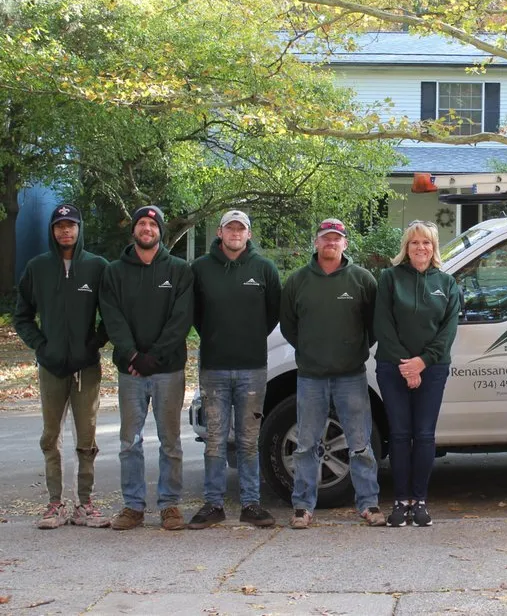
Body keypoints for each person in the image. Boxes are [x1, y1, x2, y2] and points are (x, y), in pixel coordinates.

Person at [279, 218, 383, 528]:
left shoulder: (363, 280)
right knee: (307, 444)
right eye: (325, 237)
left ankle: (368, 503)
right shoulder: (298, 281)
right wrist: (312, 351)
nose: (331, 243)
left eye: (336, 238)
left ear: (345, 244)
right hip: (311, 376)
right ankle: (302, 506)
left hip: (350, 374)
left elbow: (373, 327)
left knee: (361, 443)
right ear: (316, 242)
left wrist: (351, 349)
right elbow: (289, 325)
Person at [14, 204, 111, 529]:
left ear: (79, 229)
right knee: (50, 436)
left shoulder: (97, 267)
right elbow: (22, 316)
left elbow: (111, 314)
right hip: (52, 367)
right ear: (52, 231)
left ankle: (85, 504)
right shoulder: (37, 268)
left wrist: (94, 344)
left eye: (71, 226)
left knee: (87, 437)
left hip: (86, 369)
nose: (65, 231)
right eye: (60, 226)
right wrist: (42, 347)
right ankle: (54, 504)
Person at [100, 206, 193, 531]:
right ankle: (133, 506)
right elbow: (112, 318)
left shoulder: (180, 270)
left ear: (160, 232)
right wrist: (132, 357)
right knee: (130, 440)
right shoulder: (114, 272)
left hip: (168, 370)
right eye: (142, 223)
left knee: (170, 440)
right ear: (134, 231)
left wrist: (154, 356)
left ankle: (170, 505)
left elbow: (181, 318)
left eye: (152, 225)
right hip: (131, 372)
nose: (147, 229)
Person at [187, 210, 281, 530]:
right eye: (230, 228)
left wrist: (249, 339)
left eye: (241, 228)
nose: (236, 233)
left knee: (248, 440)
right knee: (215, 439)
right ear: (220, 232)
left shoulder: (264, 269)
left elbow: (272, 315)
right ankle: (213, 504)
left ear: (249, 234)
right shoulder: (200, 269)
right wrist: (215, 337)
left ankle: (251, 504)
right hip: (213, 368)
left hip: (252, 368)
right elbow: (195, 315)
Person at [374, 220, 460, 527]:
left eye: (426, 243)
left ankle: (420, 501)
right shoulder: (389, 278)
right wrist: (406, 365)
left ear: (434, 247)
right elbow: (382, 325)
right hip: (392, 368)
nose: (420, 248)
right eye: (414, 243)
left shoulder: (447, 283)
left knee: (424, 435)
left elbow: (448, 331)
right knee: (398, 435)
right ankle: (400, 501)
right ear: (406, 247)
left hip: (433, 369)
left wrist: (422, 363)